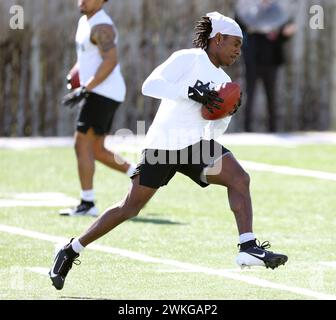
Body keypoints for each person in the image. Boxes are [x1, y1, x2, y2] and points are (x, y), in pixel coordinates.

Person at [49, 12, 288, 290]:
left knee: (239, 178)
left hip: (195, 146)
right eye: (235, 43)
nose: (238, 51)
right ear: (218, 39)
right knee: (130, 207)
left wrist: (226, 113)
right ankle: (71, 249)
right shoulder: (188, 58)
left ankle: (247, 246)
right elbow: (149, 85)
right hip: (163, 145)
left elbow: (215, 133)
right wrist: (190, 91)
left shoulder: (225, 81)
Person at [60, 0, 135, 217]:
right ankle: (139, 174)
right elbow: (86, 57)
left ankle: (87, 203)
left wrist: (86, 88)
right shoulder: (85, 20)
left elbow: (110, 61)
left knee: (81, 143)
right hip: (99, 91)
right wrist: (75, 74)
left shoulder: (102, 26)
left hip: (103, 92)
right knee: (96, 150)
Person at [235, 0, 296, 132]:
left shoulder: (278, 11)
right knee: (249, 95)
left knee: (272, 96)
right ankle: (247, 130)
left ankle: (273, 129)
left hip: (271, 61)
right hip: (252, 60)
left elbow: (285, 32)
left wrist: (283, 34)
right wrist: (249, 30)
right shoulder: (250, 11)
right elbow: (239, 25)